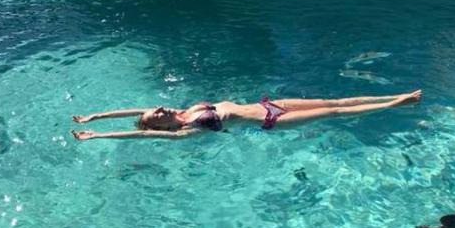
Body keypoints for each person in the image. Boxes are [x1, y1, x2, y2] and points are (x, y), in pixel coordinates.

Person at [71, 91, 422, 141]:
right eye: (157, 113)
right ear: (158, 125)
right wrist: (100, 136)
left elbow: (133, 112)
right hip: (271, 121)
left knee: (335, 100)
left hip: (268, 103)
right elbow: (140, 132)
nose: (161, 109)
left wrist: (96, 116)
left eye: (156, 108)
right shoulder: (185, 130)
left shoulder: (181, 110)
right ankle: (395, 104)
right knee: (332, 112)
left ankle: (391, 97)